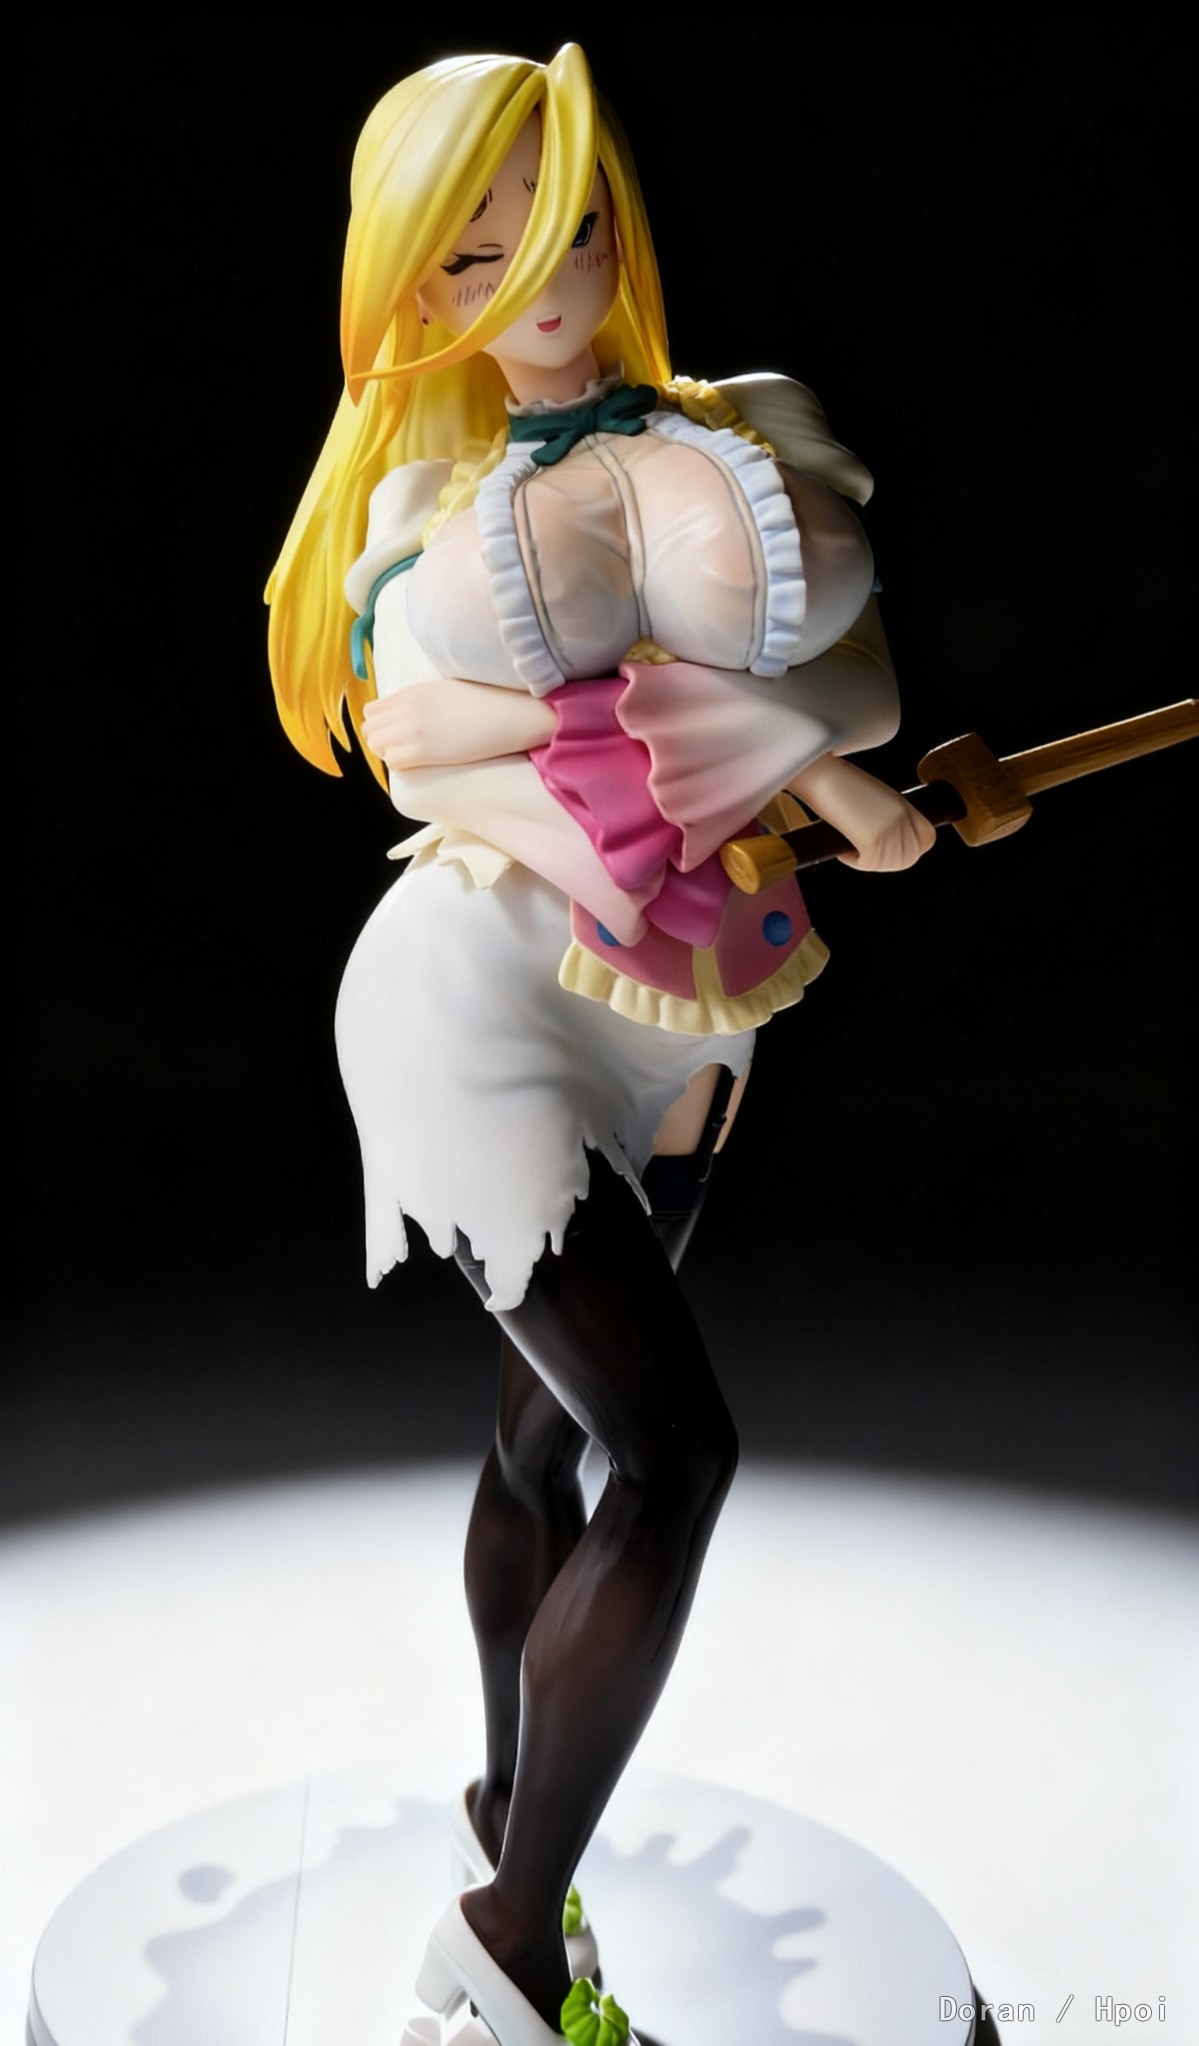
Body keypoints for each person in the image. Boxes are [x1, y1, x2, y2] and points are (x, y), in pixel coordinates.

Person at [266, 45, 933, 2046]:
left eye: (556, 230)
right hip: (478, 994)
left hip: (681, 1006)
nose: (528, 280)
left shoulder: (746, 428)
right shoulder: (428, 506)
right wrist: (770, 753)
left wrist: (812, 750)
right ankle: (503, 1938)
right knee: (675, 1450)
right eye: (470, 257)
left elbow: (863, 686)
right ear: (417, 293)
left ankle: (509, 1805)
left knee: (542, 1439)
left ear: (611, 224)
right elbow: (426, 751)